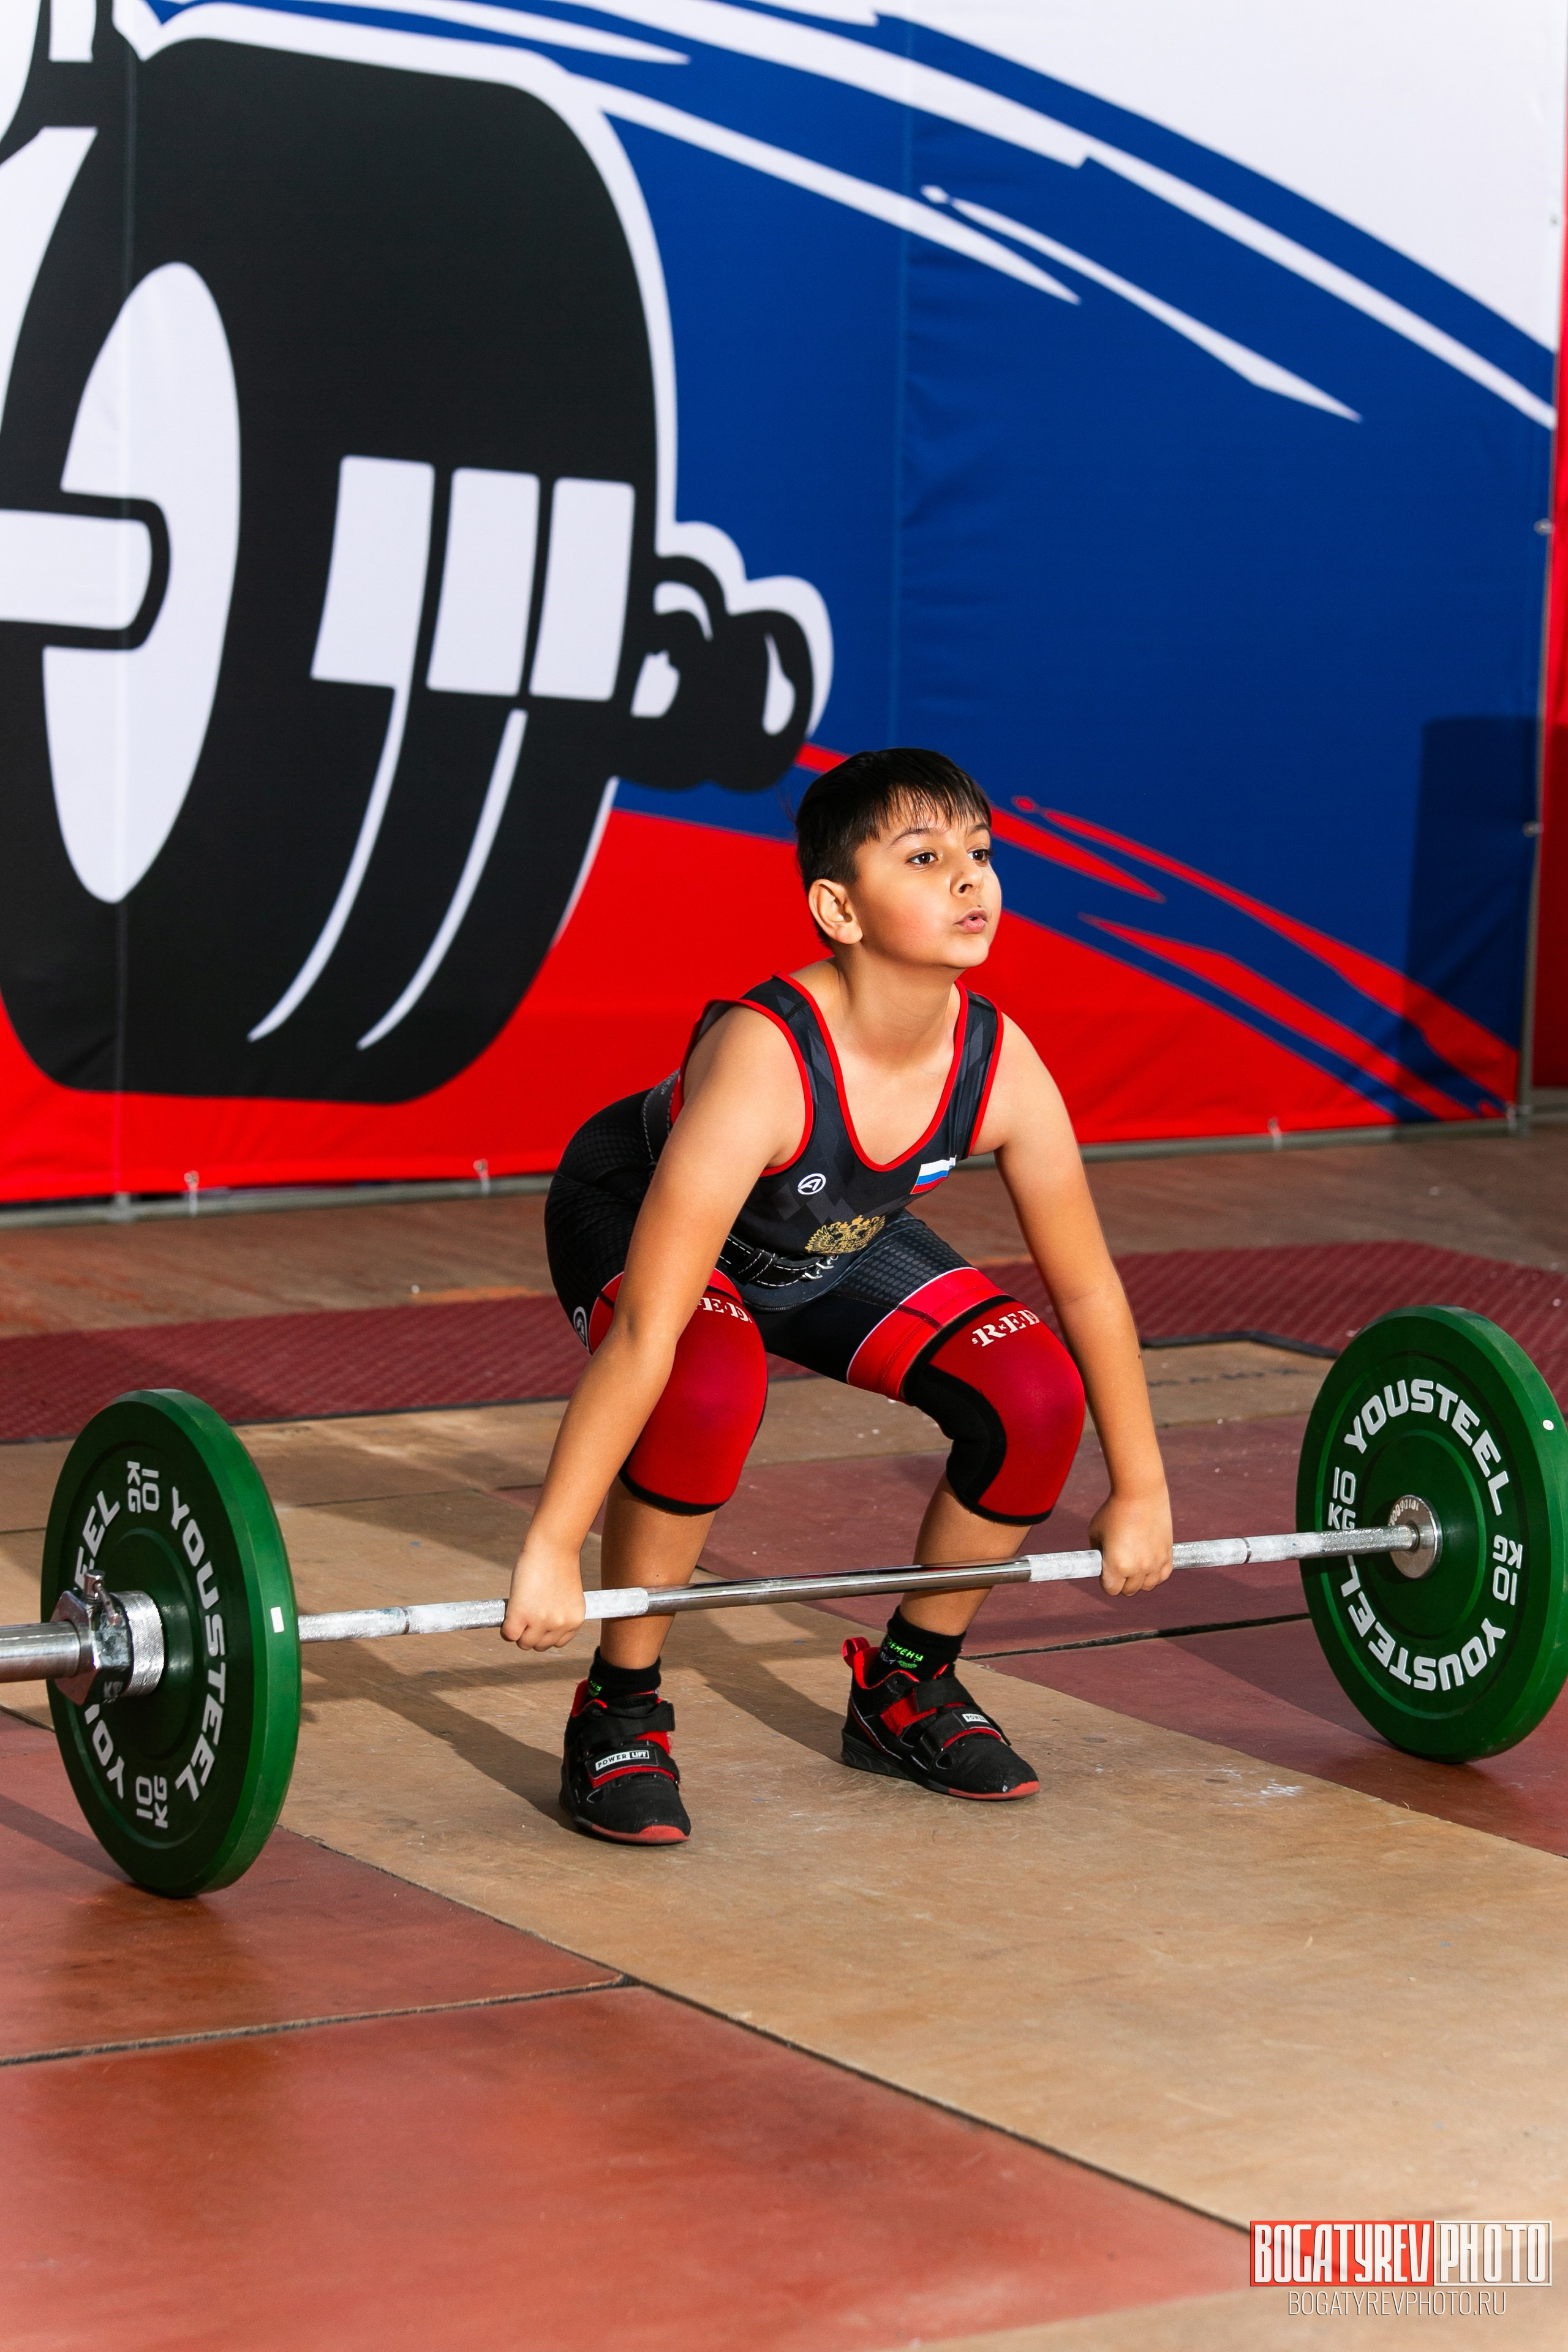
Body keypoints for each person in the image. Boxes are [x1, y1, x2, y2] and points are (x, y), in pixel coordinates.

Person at [502, 747, 1174, 1842]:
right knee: (709, 1384)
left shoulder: (1001, 1064)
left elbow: (1089, 1291)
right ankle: (619, 1706)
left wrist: (1140, 1487)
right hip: (635, 1208)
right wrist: (551, 1544)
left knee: (1035, 1396)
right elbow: (650, 1340)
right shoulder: (767, 1062)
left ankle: (907, 1686)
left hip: (824, 1238)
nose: (970, 879)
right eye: (924, 857)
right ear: (838, 907)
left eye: (981, 854)